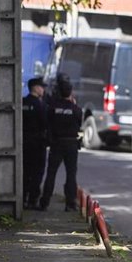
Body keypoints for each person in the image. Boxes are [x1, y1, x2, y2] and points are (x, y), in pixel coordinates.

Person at [39, 79, 82, 211]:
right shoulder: (76, 109)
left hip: (56, 143)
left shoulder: (52, 108)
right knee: (71, 174)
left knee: (51, 173)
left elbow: (47, 123)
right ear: (71, 93)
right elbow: (79, 124)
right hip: (71, 144)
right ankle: (70, 204)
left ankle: (44, 202)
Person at [22, 77, 48, 209]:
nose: (43, 89)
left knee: (25, 171)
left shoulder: (23, 102)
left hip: (24, 142)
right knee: (37, 172)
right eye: (42, 87)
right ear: (36, 88)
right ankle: (33, 200)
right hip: (38, 143)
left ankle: (22, 198)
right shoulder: (40, 105)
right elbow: (45, 123)